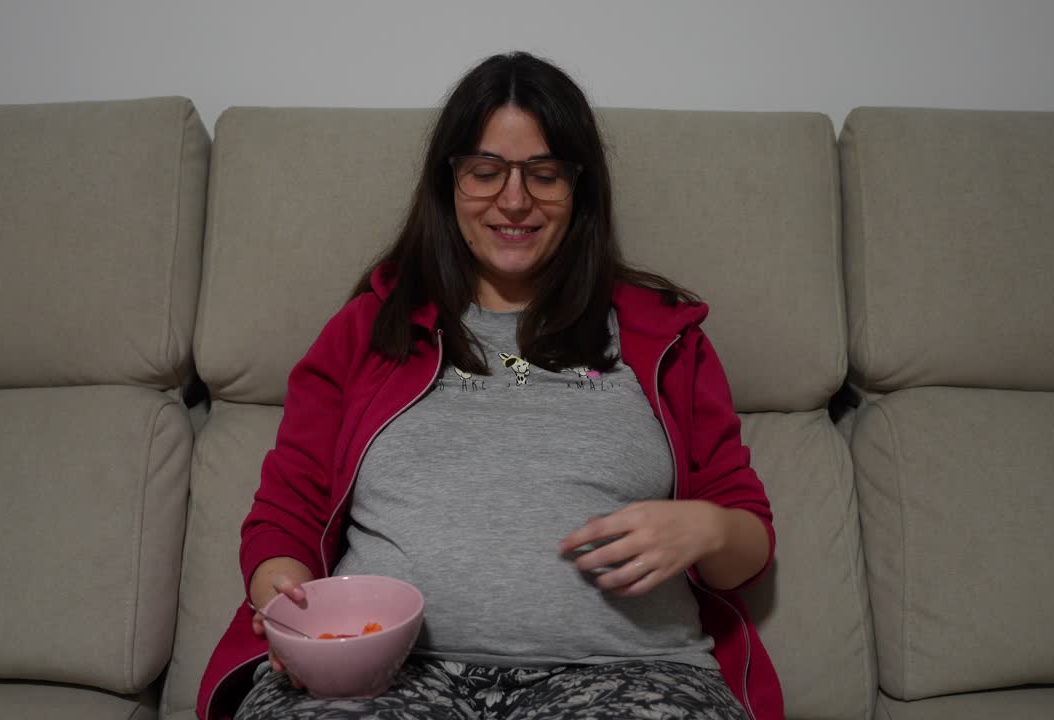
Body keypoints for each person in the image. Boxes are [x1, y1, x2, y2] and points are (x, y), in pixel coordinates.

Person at [197, 51, 781, 720]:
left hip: (630, 675)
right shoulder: (369, 329)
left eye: (544, 174)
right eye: (485, 171)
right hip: (388, 671)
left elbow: (748, 543)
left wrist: (707, 529)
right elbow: (288, 509)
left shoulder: (664, 336)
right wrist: (283, 589)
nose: (513, 199)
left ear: (577, 187)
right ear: (449, 182)